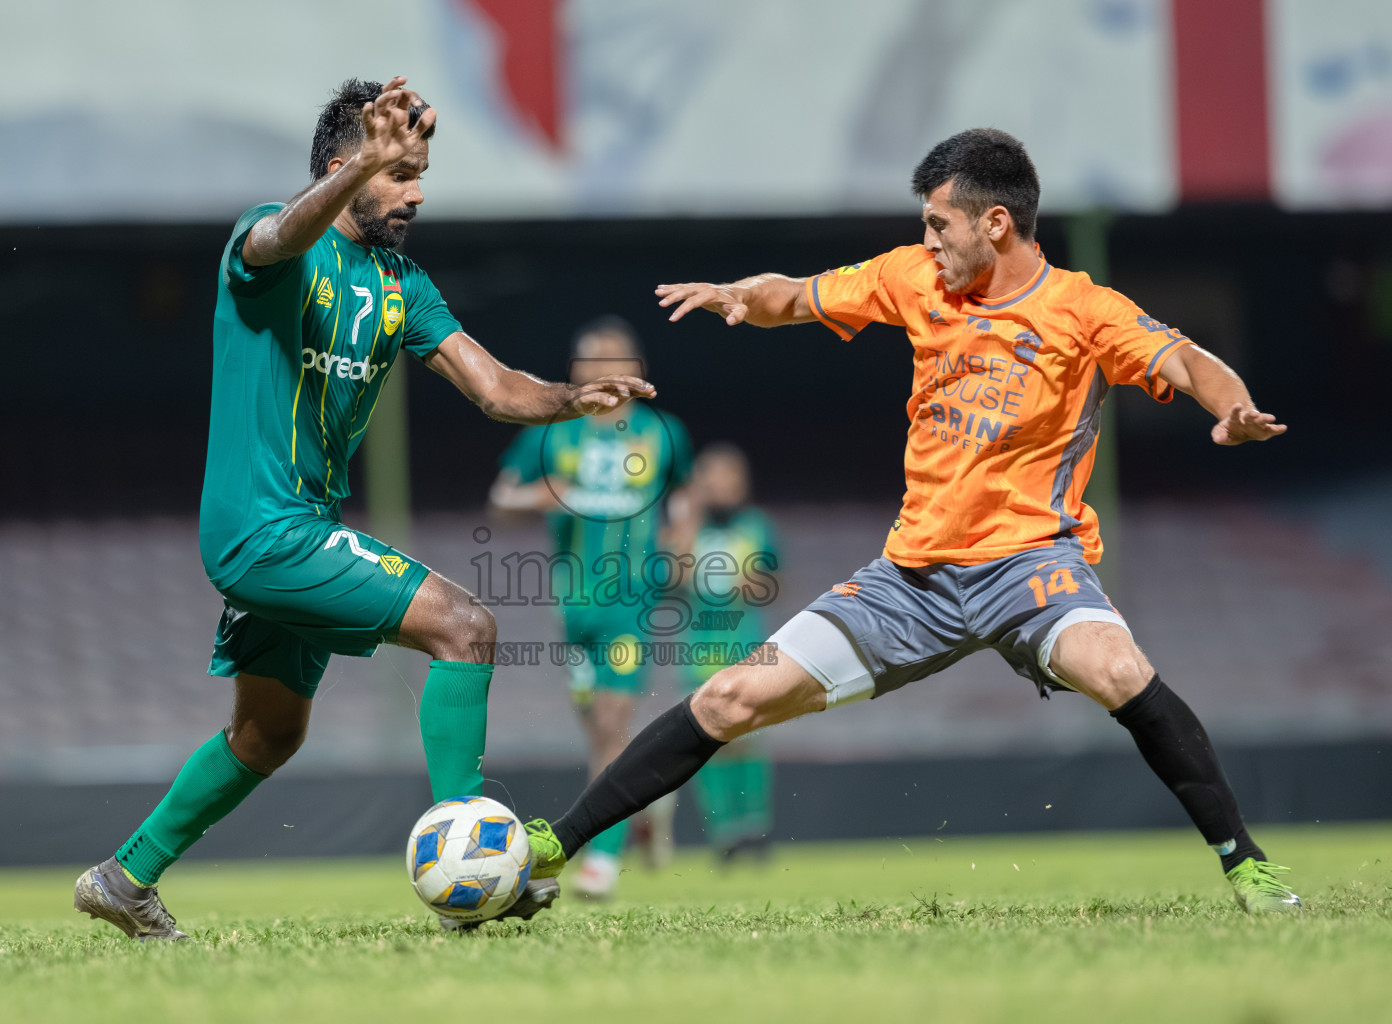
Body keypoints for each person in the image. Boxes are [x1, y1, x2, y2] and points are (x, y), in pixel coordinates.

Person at [520, 128, 1300, 914]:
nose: (928, 240)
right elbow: (794, 294)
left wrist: (1230, 405)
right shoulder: (913, 277)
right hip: (912, 579)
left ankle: (1247, 865)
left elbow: (1187, 360)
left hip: (1031, 567)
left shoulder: (1083, 310)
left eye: (939, 224)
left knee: (1121, 670)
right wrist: (740, 297)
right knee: (729, 697)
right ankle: (557, 842)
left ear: (994, 222)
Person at [72, 77, 655, 940]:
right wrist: (357, 174)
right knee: (467, 627)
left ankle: (125, 878)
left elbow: (494, 389)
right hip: (265, 529)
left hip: (299, 527)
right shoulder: (272, 239)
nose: (417, 192)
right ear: (346, 167)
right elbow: (278, 236)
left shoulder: (400, 283)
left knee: (268, 735)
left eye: (421, 172)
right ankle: (477, 858)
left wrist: (573, 400)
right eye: (399, 172)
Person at [488, 318, 691, 898]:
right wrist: (547, 494)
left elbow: (687, 497)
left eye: (618, 362)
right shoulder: (553, 433)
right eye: (595, 364)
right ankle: (644, 806)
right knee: (595, 729)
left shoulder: (662, 433)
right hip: (573, 606)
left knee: (610, 725)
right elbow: (501, 499)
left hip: (631, 599)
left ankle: (601, 860)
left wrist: (680, 545)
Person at [667, 443, 778, 861]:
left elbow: (775, 581)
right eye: (712, 479)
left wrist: (754, 582)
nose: (721, 487)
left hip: (747, 644)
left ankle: (756, 825)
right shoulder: (685, 530)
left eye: (730, 478)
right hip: (700, 649)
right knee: (708, 740)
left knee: (749, 736)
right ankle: (724, 833)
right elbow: (672, 581)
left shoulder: (758, 525)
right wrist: (688, 521)